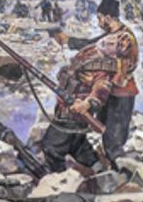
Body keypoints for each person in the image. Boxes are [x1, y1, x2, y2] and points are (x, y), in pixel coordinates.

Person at [39, 34, 122, 173]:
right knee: (78, 147)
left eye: (112, 44)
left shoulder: (104, 67)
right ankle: (101, 171)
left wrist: (86, 104)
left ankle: (58, 178)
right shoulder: (90, 52)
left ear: (114, 52)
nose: (107, 42)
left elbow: (102, 89)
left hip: (73, 113)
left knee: (51, 147)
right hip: (66, 109)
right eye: (108, 40)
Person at [94, 0, 139, 161]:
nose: (99, 22)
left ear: (107, 17)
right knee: (106, 133)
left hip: (121, 94)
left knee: (114, 141)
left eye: (100, 18)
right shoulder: (112, 35)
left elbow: (123, 72)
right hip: (110, 92)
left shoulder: (124, 38)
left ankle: (120, 169)